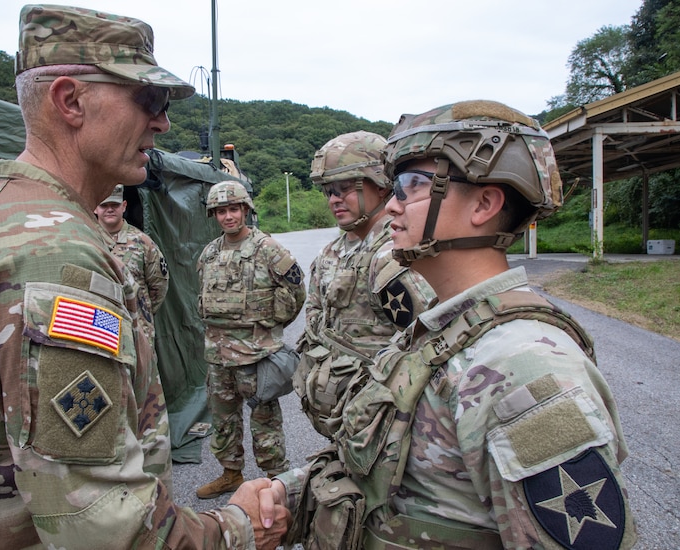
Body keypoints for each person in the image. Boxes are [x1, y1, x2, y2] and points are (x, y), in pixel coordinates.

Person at [0, 5, 286, 548]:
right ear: (70, 101)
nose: (162, 122)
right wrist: (237, 528)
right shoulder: (51, 255)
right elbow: (100, 527)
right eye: (150, 100)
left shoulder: (0, 215)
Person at [259, 100, 637, 549]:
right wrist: (287, 492)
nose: (392, 206)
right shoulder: (441, 334)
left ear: (484, 203)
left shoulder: (523, 366)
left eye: (410, 186)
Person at [294, 130, 435, 439]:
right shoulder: (333, 251)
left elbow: (430, 348)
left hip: (381, 427)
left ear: (382, 185)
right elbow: (316, 324)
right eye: (328, 191)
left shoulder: (394, 255)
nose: (334, 199)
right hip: (344, 419)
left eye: (346, 188)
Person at [195, 180, 306, 499]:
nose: (228, 217)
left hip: (256, 357)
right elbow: (203, 296)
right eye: (220, 211)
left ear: (245, 210)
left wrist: (272, 326)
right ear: (213, 215)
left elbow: (297, 292)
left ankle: (277, 479)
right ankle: (231, 474)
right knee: (223, 421)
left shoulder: (267, 249)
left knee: (265, 423)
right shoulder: (210, 253)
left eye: (233, 209)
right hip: (218, 357)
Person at [95, 184, 169, 339]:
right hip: (100, 328)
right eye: (104, 205)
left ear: (124, 206)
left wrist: (141, 311)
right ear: (95, 208)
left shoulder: (143, 243)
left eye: (114, 205)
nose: (110, 209)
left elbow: (159, 286)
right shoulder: (87, 238)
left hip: (137, 330)